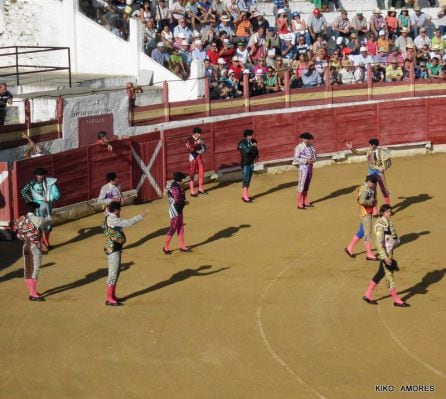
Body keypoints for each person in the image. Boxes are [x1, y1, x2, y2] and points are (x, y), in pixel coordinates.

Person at [363, 204, 410, 307]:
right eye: (388, 212)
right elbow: (378, 243)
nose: (390, 213)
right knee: (389, 275)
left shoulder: (387, 221)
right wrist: (385, 257)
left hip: (389, 251)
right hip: (386, 254)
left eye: (390, 211)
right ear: (382, 213)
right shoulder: (380, 224)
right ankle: (396, 299)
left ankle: (367, 294)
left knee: (380, 273)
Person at [102, 202, 149, 306]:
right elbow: (128, 223)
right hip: (113, 248)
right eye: (120, 210)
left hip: (113, 246)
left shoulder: (108, 216)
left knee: (116, 273)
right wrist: (140, 216)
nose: (120, 212)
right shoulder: (112, 219)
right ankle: (109, 298)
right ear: (116, 210)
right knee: (113, 274)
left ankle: (112, 296)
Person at [12, 202, 49, 301]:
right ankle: (33, 294)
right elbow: (48, 222)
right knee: (35, 270)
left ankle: (32, 292)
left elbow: (16, 232)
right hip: (35, 247)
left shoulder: (20, 219)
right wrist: (45, 214)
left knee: (27, 269)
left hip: (26, 246)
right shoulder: (37, 220)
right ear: (35, 209)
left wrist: (24, 236)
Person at [21, 168, 60, 251]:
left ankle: (46, 241)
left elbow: (57, 194)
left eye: (42, 175)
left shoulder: (49, 182)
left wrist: (50, 199)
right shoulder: (32, 183)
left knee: (48, 224)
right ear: (36, 175)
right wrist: (32, 202)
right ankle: (39, 244)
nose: (40, 176)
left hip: (47, 206)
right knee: (38, 225)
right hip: (38, 207)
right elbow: (23, 191)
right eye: (39, 175)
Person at [346, 138, 391, 208]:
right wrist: (351, 149)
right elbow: (358, 153)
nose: (369, 146)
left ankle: (388, 207)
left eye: (370, 145)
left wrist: (384, 168)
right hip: (371, 172)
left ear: (373, 145)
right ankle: (374, 209)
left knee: (384, 189)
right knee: (373, 191)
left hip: (379, 172)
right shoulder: (368, 151)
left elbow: (389, 162)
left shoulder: (382, 152)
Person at [344, 175, 378, 261]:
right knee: (368, 233)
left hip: (365, 212)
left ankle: (349, 248)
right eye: (373, 184)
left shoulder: (365, 188)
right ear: (369, 182)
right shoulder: (365, 190)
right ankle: (369, 254)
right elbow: (361, 201)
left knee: (362, 231)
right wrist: (372, 201)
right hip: (366, 213)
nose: (374, 185)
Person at [163, 172, 190, 254]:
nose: (183, 180)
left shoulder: (176, 185)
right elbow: (177, 199)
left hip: (179, 208)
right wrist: (185, 202)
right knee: (173, 228)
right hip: (174, 209)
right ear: (180, 179)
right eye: (182, 178)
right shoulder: (175, 186)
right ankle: (165, 247)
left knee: (180, 227)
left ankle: (182, 246)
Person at [292, 132, 317, 210]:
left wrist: (313, 160)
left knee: (307, 184)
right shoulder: (299, 147)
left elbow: (315, 155)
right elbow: (296, 158)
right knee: (301, 184)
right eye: (305, 139)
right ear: (302, 139)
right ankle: (299, 203)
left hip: (310, 167)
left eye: (308, 139)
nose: (307, 140)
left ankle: (305, 201)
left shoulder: (311, 146)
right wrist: (306, 160)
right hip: (303, 167)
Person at [237, 129, 259, 203]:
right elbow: (246, 151)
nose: (251, 136)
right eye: (249, 135)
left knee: (249, 178)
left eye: (251, 135)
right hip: (245, 163)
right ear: (246, 136)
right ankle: (245, 196)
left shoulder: (253, 141)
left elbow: (255, 151)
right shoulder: (242, 143)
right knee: (245, 178)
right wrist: (253, 146)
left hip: (251, 162)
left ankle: (245, 195)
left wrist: (256, 155)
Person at [185, 126, 207, 197]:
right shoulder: (188, 140)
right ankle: (192, 191)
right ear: (194, 133)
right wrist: (197, 143)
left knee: (201, 172)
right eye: (198, 134)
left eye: (200, 134)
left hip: (199, 157)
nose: (199, 135)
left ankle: (200, 189)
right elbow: (191, 149)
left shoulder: (200, 139)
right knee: (192, 173)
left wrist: (202, 147)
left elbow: (205, 148)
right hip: (193, 158)